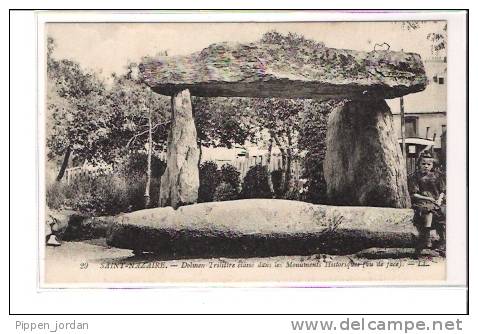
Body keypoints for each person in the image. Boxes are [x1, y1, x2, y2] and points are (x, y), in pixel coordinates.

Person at [408, 150, 446, 255]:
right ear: (419, 164)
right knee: (428, 210)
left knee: (443, 212)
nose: (426, 166)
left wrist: (439, 200)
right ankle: (427, 236)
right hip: (422, 201)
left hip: (436, 201)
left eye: (428, 164)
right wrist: (429, 199)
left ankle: (443, 241)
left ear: (432, 165)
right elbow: (414, 194)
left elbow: (442, 191)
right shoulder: (414, 177)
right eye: (423, 164)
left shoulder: (437, 176)